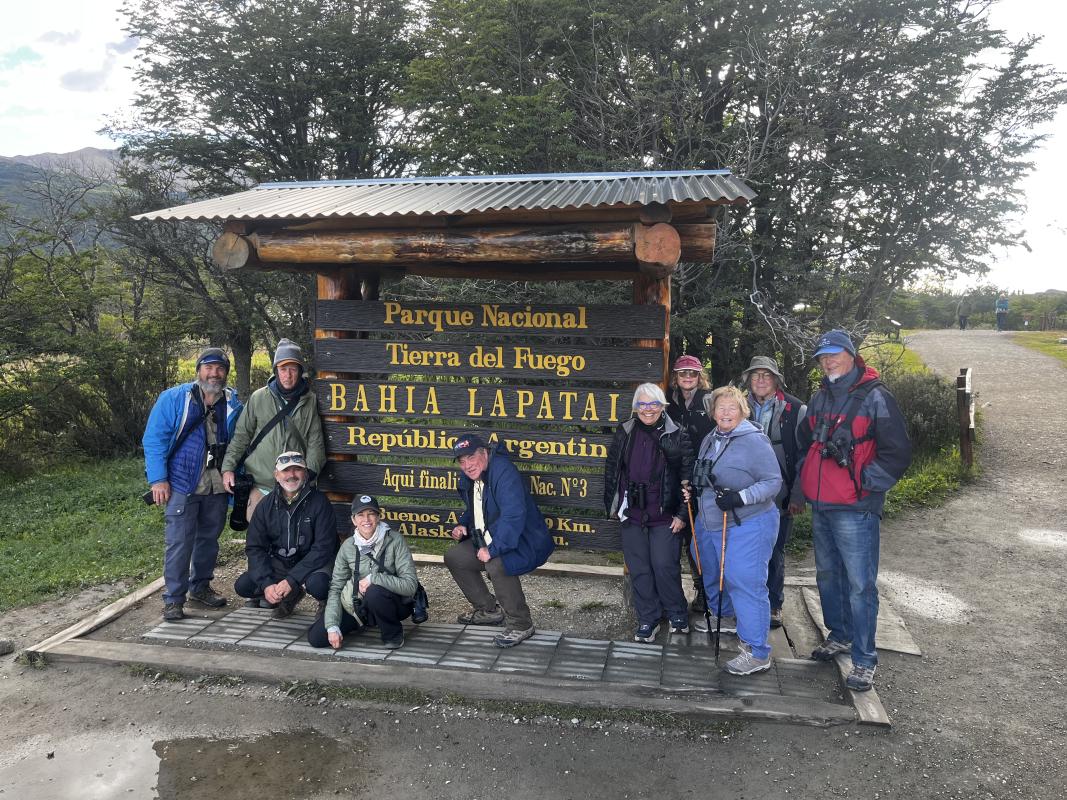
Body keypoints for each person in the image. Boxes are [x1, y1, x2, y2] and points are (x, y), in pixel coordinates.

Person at [794, 329, 912, 692]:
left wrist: (866, 485)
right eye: (823, 357)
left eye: (834, 354)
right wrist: (806, 481)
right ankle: (840, 634)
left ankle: (864, 660)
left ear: (851, 355)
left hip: (856, 508)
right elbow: (804, 442)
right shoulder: (819, 398)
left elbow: (899, 452)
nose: (828, 361)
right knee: (828, 576)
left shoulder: (876, 397)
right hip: (822, 505)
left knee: (861, 585)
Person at [686, 386, 782, 675]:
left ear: (743, 410)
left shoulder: (754, 441)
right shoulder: (711, 438)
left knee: (744, 579)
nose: (726, 413)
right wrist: (692, 488)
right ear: (713, 412)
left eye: (732, 408)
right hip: (711, 520)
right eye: (720, 408)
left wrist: (739, 497)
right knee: (708, 564)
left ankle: (757, 651)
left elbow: (772, 482)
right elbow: (704, 474)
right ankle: (726, 616)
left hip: (748, 522)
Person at [143, 347, 244, 621]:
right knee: (179, 542)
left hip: (217, 485)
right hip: (181, 483)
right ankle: (174, 599)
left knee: (208, 540)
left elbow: (240, 443)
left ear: (226, 372)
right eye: (209, 367)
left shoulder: (233, 403)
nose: (214, 373)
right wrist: (158, 479)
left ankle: (200, 587)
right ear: (198, 370)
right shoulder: (174, 399)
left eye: (220, 368)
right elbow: (154, 440)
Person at [444, 434, 554, 648]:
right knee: (454, 557)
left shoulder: (503, 471)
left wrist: (493, 549)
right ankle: (489, 610)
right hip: (494, 537)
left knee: (497, 564)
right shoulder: (471, 476)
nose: (467, 465)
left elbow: (513, 516)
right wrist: (463, 525)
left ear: (484, 453)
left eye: (470, 457)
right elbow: (474, 509)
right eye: (462, 461)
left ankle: (521, 624)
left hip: (525, 540)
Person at [604, 383, 694, 642]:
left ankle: (676, 612)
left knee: (665, 565)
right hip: (632, 511)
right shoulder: (626, 431)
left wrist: (682, 514)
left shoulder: (676, 433)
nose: (647, 409)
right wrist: (613, 505)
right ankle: (648, 618)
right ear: (635, 407)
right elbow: (612, 469)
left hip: (665, 513)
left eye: (653, 404)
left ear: (662, 406)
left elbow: (687, 477)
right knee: (639, 568)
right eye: (642, 404)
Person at [221, 339, 326, 521]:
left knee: (292, 540)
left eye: (293, 369)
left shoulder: (310, 401)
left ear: (300, 371)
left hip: (295, 485)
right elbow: (241, 436)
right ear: (276, 370)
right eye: (283, 369)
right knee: (259, 538)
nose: (288, 375)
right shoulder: (258, 398)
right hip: (260, 482)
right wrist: (228, 468)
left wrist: (307, 476)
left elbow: (315, 443)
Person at [233, 451, 338, 618]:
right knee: (244, 586)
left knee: (319, 585)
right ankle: (289, 596)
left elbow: (324, 548)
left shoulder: (320, 502)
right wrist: (267, 584)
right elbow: (255, 548)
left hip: (313, 563)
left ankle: (327, 602)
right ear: (276, 475)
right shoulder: (265, 506)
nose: (292, 475)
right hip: (281, 562)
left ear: (305, 473)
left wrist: (292, 580)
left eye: (297, 469)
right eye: (286, 470)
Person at [742, 356, 806, 629]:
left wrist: (798, 494)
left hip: (780, 493)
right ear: (748, 380)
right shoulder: (737, 405)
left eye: (766, 375)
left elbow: (805, 455)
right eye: (755, 375)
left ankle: (774, 604)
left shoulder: (796, 409)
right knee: (744, 550)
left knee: (775, 550)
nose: (760, 380)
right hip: (743, 493)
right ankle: (745, 602)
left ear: (776, 380)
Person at [309, 494, 418, 650]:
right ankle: (360, 623)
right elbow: (336, 587)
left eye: (371, 514)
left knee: (374, 592)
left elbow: (410, 585)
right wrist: (332, 625)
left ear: (379, 517)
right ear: (354, 520)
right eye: (360, 515)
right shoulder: (347, 546)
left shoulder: (395, 540)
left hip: (392, 602)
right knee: (316, 638)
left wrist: (374, 578)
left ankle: (392, 634)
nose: (366, 519)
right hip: (356, 605)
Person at [665, 354, 715, 612]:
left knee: (700, 538)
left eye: (692, 373)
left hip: (704, 480)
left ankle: (707, 592)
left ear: (699, 376)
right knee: (681, 535)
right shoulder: (668, 402)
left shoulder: (709, 400)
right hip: (674, 479)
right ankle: (687, 591)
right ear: (676, 376)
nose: (687, 377)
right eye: (682, 373)